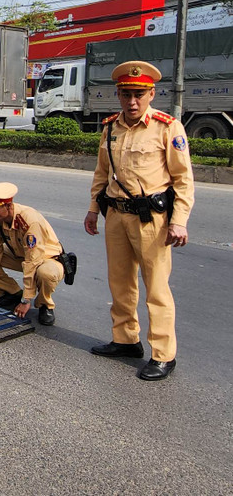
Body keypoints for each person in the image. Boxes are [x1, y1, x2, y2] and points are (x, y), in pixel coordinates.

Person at [84, 60, 194, 381]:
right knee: (120, 282)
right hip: (116, 216)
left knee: (156, 287)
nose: (132, 101)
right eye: (126, 94)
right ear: (118, 94)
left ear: (151, 94)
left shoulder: (167, 127)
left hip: (153, 220)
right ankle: (125, 339)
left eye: (139, 94)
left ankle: (163, 354)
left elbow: (183, 179)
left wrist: (179, 220)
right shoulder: (110, 128)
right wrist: (93, 209)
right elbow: (102, 173)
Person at [0, 182, 64, 325]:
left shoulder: (29, 221)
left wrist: (26, 300)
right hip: (20, 254)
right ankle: (11, 293)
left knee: (46, 273)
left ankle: (45, 305)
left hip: (46, 259)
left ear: (7, 206)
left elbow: (33, 261)